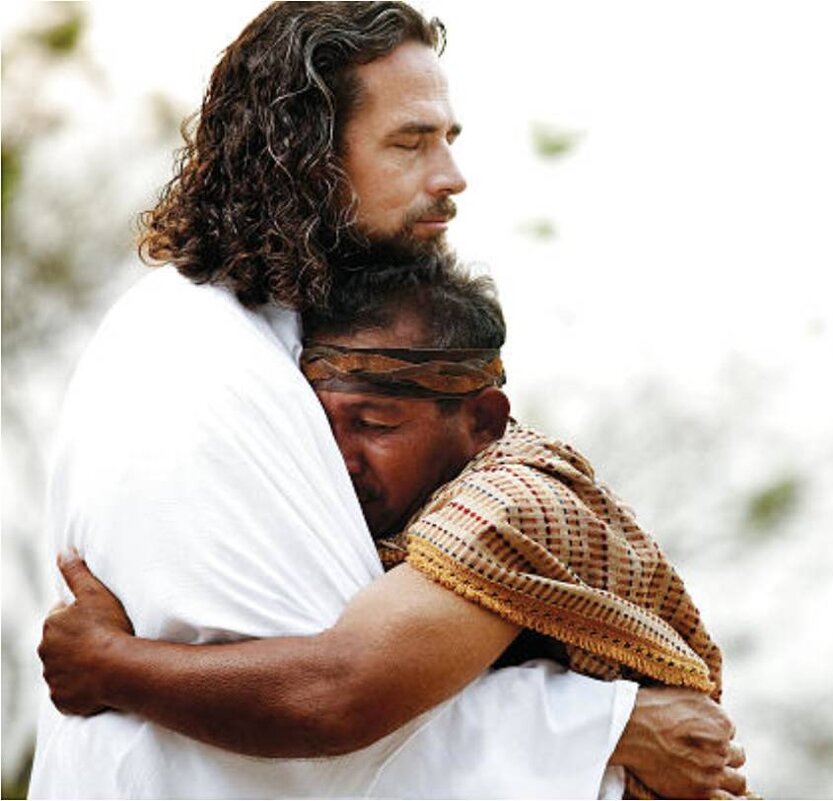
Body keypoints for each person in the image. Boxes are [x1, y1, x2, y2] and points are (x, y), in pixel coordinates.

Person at [28, 3, 742, 798]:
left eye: (448, 139)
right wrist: (607, 726)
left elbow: (344, 691)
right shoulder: (194, 359)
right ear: (303, 158)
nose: (451, 177)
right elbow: (315, 721)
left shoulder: (312, 342)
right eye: (410, 143)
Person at [40, 258, 747, 799]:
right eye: (322, 429)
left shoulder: (514, 503)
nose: (342, 460)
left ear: (483, 422)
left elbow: (335, 695)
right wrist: (612, 726)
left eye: (376, 424)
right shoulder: (391, 511)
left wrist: (110, 664)